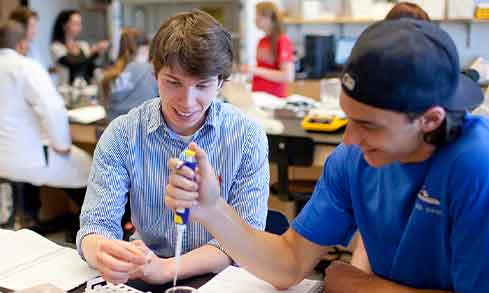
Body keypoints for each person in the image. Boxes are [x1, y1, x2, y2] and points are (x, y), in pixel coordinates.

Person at [165, 19, 489, 292]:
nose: (348, 139)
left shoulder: (475, 167)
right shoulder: (353, 160)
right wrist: (211, 209)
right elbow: (290, 261)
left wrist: (359, 285)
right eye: (349, 118)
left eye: (367, 125)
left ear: (430, 120)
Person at [77, 10, 269, 285]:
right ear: (155, 73)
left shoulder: (247, 138)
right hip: (142, 269)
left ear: (221, 81)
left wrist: (167, 269)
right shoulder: (122, 134)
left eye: (202, 85)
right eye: (173, 82)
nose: (187, 101)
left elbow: (245, 243)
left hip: (220, 279)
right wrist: (105, 253)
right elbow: (94, 226)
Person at [0, 21, 92, 229]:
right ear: (23, 44)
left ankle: (39, 220)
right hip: (28, 158)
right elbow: (52, 108)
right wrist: (62, 144)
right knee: (90, 167)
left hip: (4, 159)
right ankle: (89, 227)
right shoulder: (25, 66)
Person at [100, 27, 158, 122]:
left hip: (113, 133)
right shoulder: (152, 72)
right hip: (144, 134)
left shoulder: (108, 76)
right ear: (145, 48)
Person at [245, 1, 294, 98]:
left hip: (273, 99)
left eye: (258, 15)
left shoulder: (282, 41)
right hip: (259, 96)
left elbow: (287, 76)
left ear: (268, 17)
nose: (255, 19)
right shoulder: (261, 41)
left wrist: (255, 70)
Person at [51, 9, 109, 84]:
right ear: (64, 25)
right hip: (67, 91)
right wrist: (95, 53)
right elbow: (74, 65)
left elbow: (89, 67)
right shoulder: (56, 47)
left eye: (80, 24)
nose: (79, 27)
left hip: (87, 90)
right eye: (75, 23)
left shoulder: (83, 45)